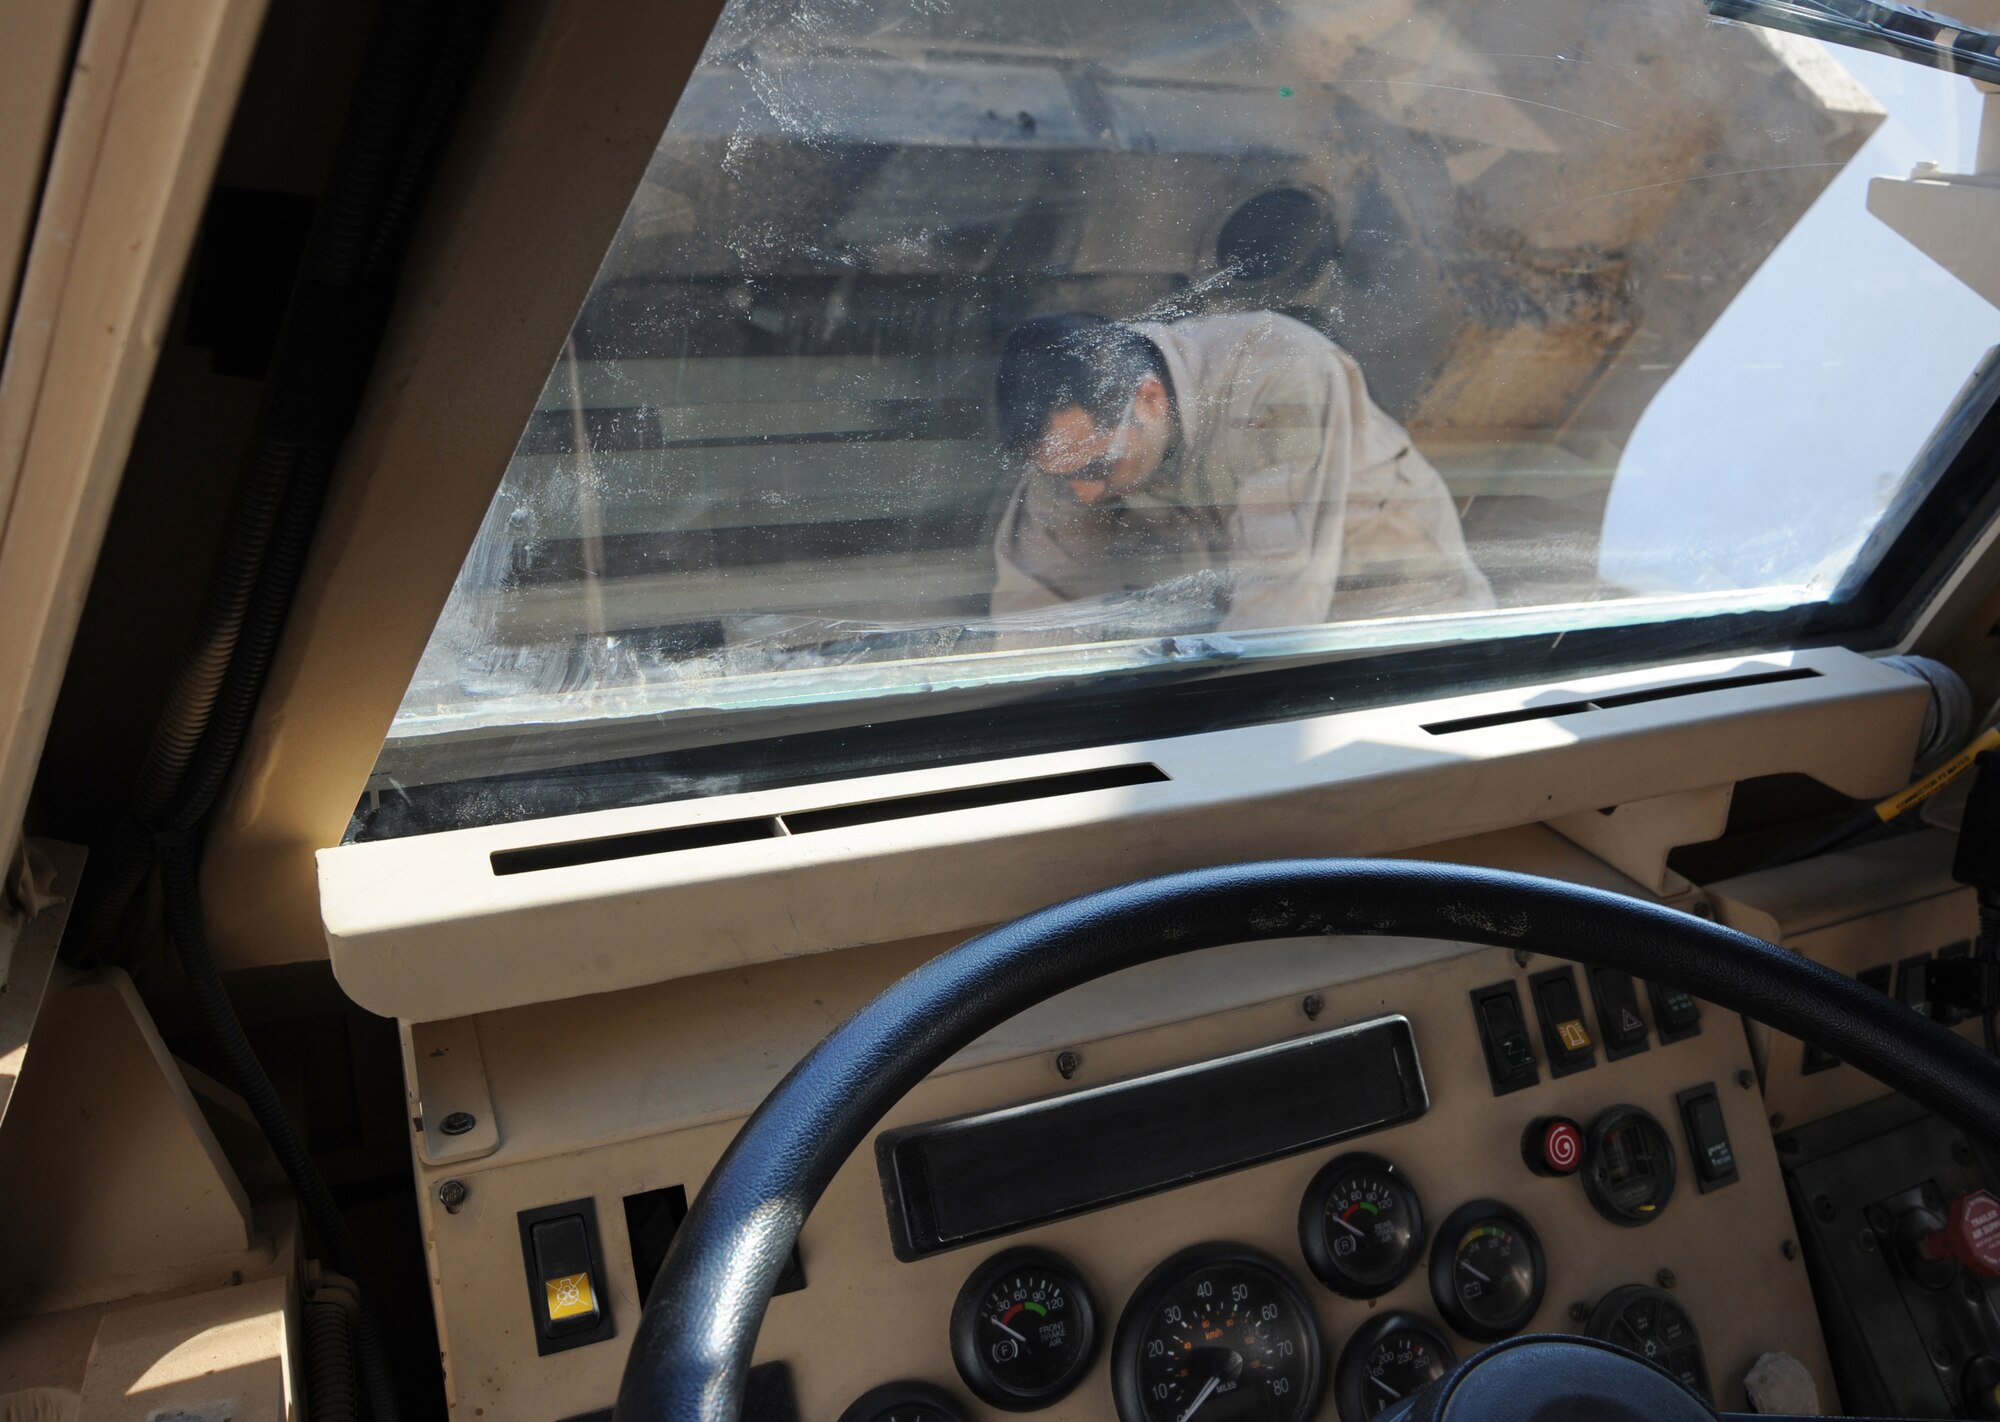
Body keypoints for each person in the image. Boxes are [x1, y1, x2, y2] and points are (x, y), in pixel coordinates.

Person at [989, 311, 1494, 634]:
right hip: (1256, 615)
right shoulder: (1081, 435)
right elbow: (1035, 598)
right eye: (1064, 476)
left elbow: (1279, 603)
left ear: (1149, 399)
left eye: (1100, 467)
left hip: (1405, 614)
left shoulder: (1282, 375)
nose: (1087, 493)